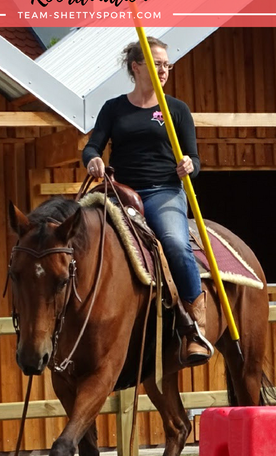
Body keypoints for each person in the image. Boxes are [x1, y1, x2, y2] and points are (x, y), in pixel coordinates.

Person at [82, 37, 212, 366]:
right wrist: (93, 159)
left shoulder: (176, 110)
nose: (164, 69)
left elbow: (194, 159)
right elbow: (92, 146)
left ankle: (194, 327)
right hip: (120, 192)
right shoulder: (114, 108)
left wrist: (189, 165)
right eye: (157, 63)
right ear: (136, 67)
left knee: (175, 243)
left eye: (167, 64)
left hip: (162, 191)